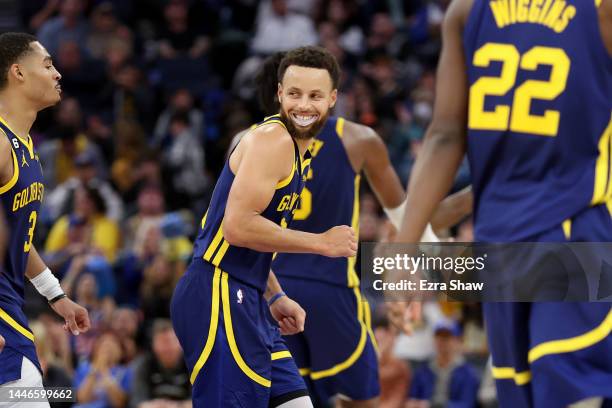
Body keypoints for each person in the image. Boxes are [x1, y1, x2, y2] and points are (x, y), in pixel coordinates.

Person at [395, 1, 612, 407]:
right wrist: (405, 250)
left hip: (575, 231)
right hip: (500, 244)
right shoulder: (466, 13)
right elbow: (445, 134)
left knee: (569, 387)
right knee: (522, 395)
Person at [232, 51, 472, 407]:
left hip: (267, 290)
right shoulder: (357, 139)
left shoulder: (246, 141)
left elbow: (232, 224)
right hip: (331, 289)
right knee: (360, 400)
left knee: (286, 399)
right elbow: (405, 215)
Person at [171, 46, 357, 408]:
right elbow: (237, 228)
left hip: (248, 296)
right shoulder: (274, 140)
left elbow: (255, 234)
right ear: (279, 94)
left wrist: (275, 294)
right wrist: (321, 243)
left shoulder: (294, 151)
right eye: (294, 94)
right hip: (219, 292)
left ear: (332, 99)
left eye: (315, 95)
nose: (304, 105)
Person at [0, 32, 90, 400]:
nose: (57, 75)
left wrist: (56, 296)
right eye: (48, 65)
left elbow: (19, 240)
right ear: (18, 73)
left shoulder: (26, 147)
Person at [407, 320, 479, 408]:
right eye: (438, 337)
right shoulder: (423, 371)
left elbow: (467, 404)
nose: (442, 341)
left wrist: (433, 405)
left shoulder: (468, 373)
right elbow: (412, 399)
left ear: (458, 341)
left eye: (447, 337)